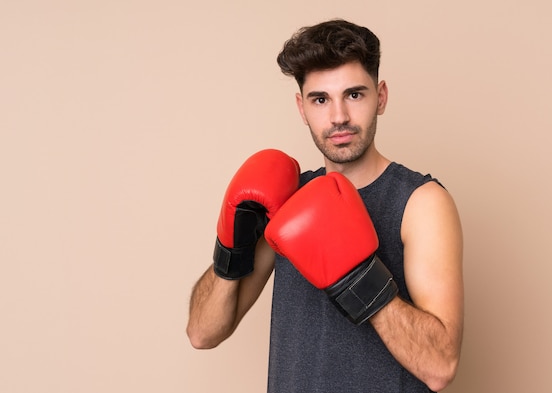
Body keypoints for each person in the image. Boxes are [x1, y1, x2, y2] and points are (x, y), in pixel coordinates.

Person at [186, 19, 464, 393]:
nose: (339, 117)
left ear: (380, 97)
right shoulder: (285, 199)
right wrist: (230, 253)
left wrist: (359, 279)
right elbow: (202, 333)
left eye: (354, 94)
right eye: (321, 99)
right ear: (302, 108)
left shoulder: (421, 202)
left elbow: (440, 366)